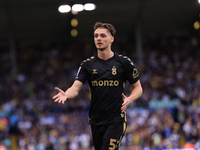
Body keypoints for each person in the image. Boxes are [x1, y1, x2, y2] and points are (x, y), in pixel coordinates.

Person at [52, 22, 143, 150]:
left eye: (102, 36)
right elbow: (75, 88)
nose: (98, 39)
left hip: (116, 119)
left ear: (111, 39)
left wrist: (129, 99)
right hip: (96, 120)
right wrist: (67, 94)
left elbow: (138, 88)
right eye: (96, 36)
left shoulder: (123, 62)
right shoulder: (87, 65)